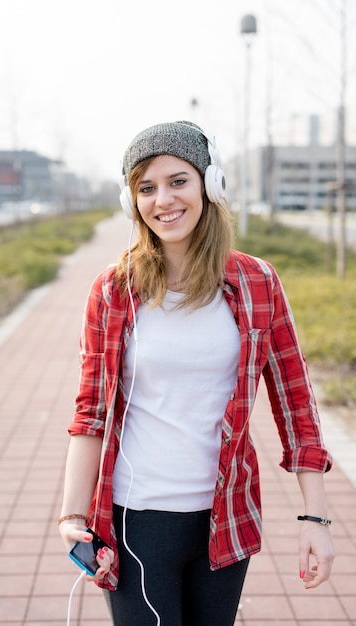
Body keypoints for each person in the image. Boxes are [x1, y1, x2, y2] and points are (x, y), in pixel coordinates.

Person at [58, 121, 334, 626]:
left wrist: (315, 517)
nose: (163, 199)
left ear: (211, 185)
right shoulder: (113, 290)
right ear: (131, 201)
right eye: (146, 187)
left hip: (226, 512)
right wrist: (73, 515)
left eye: (177, 181)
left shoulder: (258, 282)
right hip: (135, 517)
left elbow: (297, 404)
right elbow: (90, 412)